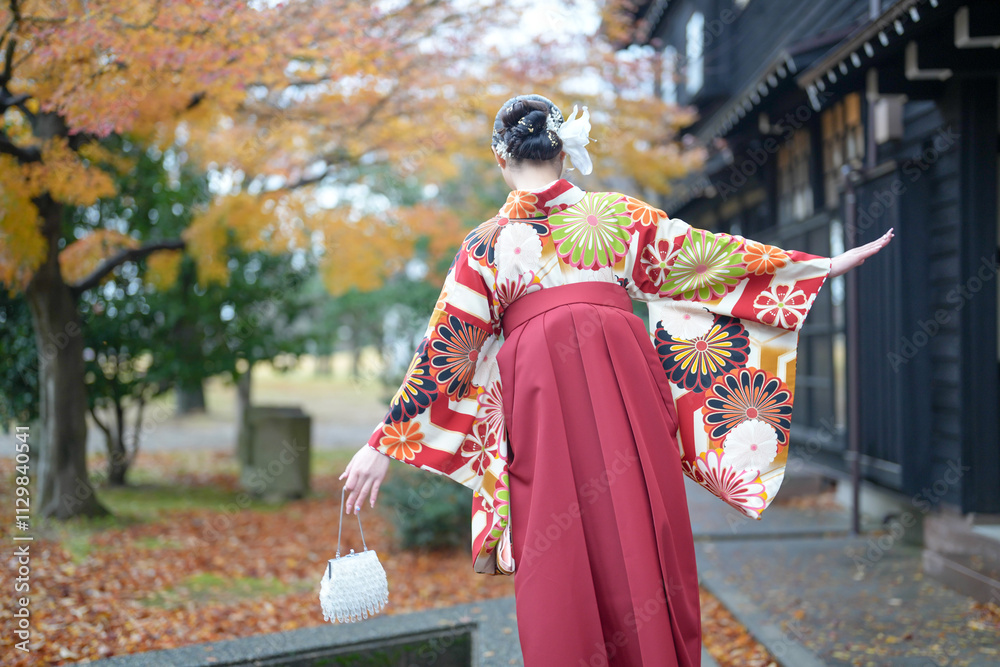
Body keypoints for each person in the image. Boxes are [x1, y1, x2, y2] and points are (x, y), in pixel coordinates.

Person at [339, 93, 894, 666]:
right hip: (625, 382)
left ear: (500, 161)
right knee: (640, 517)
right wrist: (817, 266)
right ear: (562, 151)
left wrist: (384, 442)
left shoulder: (485, 245)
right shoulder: (620, 218)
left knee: (555, 537)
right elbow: (709, 258)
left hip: (539, 395)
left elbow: (446, 349)